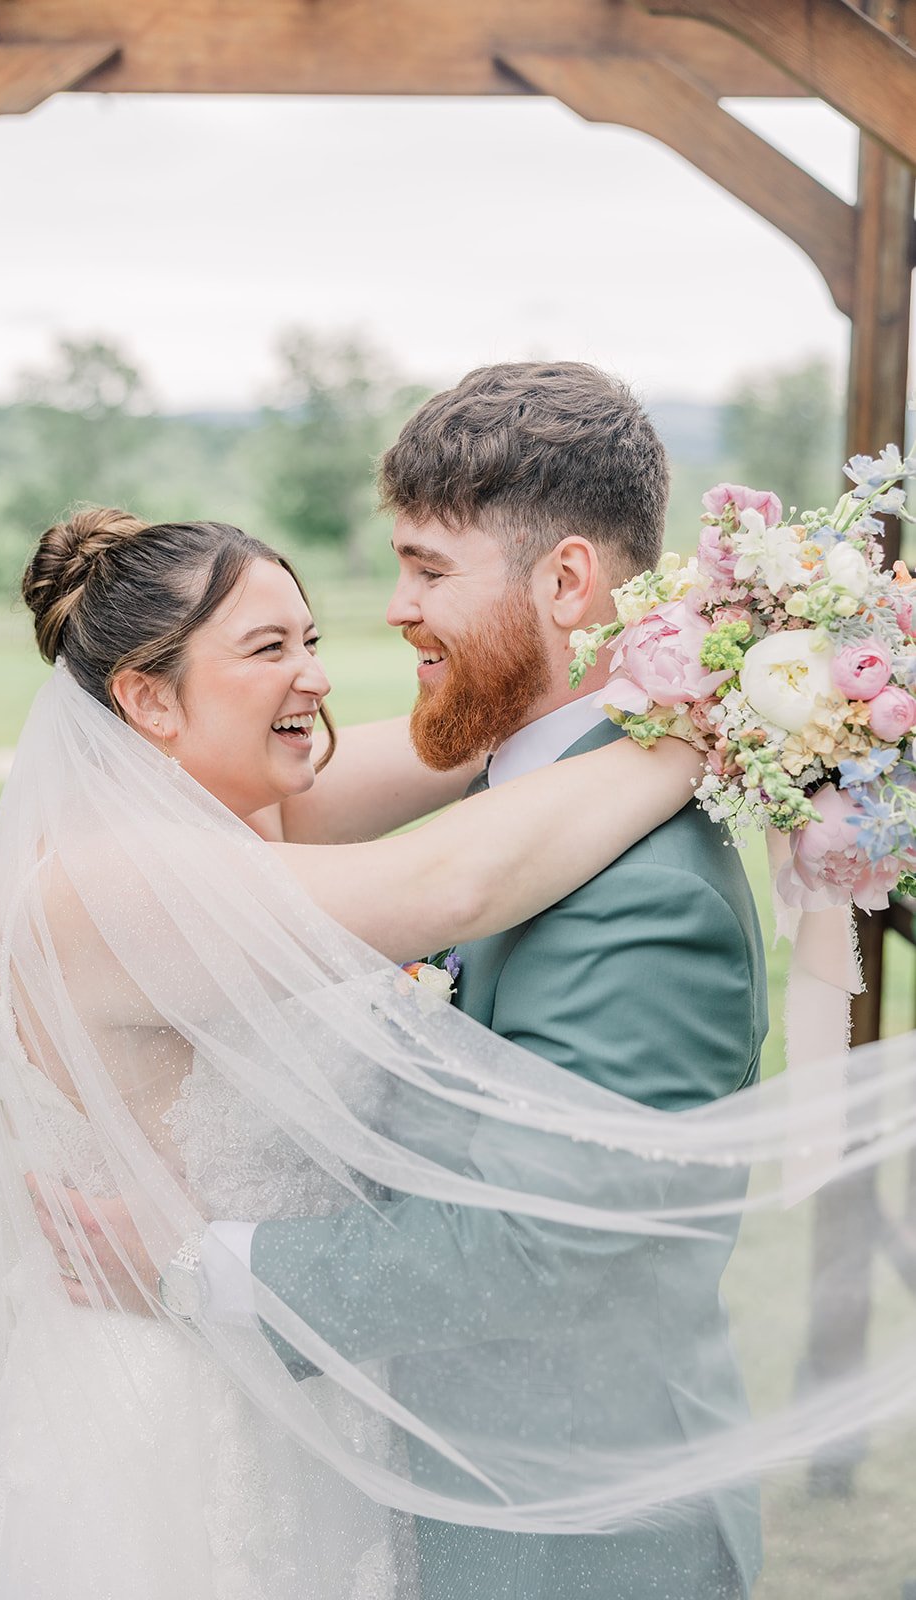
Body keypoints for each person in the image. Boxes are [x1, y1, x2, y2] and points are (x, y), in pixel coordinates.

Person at [0, 483, 704, 1600]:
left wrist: (686, 655)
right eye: (270, 647)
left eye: (312, 639)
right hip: (177, 1419)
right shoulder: (102, 885)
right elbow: (451, 878)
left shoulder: (237, 812)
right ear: (147, 698)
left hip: (297, 1376)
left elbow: (479, 737)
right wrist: (713, 732)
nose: (318, 675)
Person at [191, 362, 767, 1598]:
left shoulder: (645, 891)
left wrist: (195, 1266)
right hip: (469, 1493)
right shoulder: (529, 797)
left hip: (579, 1535)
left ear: (565, 581)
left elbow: (531, 1246)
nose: (393, 609)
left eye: (428, 568)